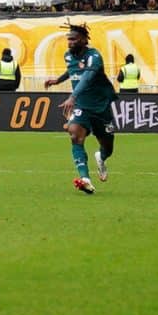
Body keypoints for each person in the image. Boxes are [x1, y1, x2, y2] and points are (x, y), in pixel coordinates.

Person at [52, 21, 116, 195]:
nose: (70, 42)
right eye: (69, 39)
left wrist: (72, 96)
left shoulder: (94, 56)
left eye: (74, 39)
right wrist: (58, 80)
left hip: (101, 106)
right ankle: (85, 179)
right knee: (74, 134)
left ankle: (101, 158)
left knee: (108, 146)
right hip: (82, 106)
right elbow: (72, 70)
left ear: (83, 40)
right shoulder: (68, 56)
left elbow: (87, 77)